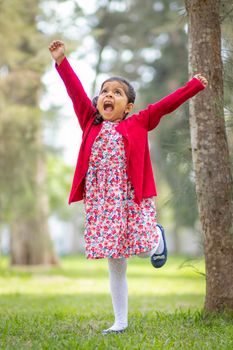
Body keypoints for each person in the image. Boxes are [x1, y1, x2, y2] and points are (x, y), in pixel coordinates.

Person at [48, 40, 208, 335]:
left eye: (117, 93)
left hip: (133, 200)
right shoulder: (89, 122)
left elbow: (166, 104)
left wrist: (194, 86)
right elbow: (74, 91)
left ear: (128, 106)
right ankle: (120, 322)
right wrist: (61, 61)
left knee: (145, 249)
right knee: (116, 262)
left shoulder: (139, 122)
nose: (108, 95)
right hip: (102, 204)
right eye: (104, 91)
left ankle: (157, 239)